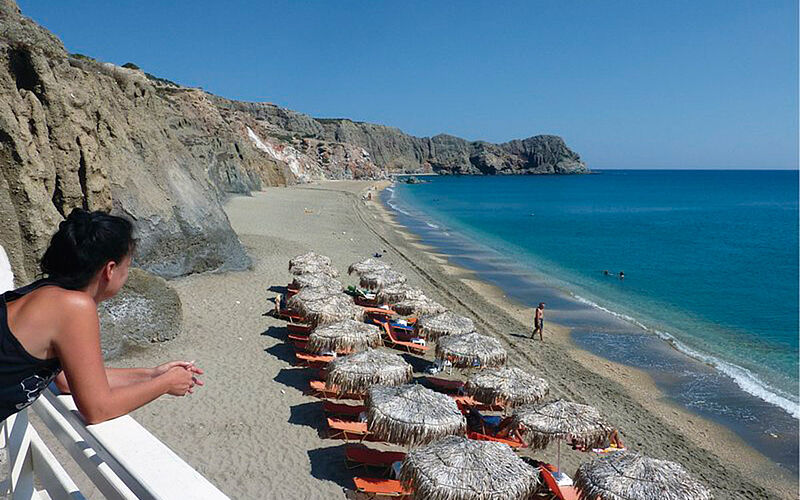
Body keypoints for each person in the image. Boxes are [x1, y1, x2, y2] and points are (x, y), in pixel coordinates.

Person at [0, 209, 203, 425]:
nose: (127, 274)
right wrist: (166, 384)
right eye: (128, 266)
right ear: (110, 269)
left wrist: (152, 374)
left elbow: (66, 381)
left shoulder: (45, 293)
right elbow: (97, 409)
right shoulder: (74, 307)